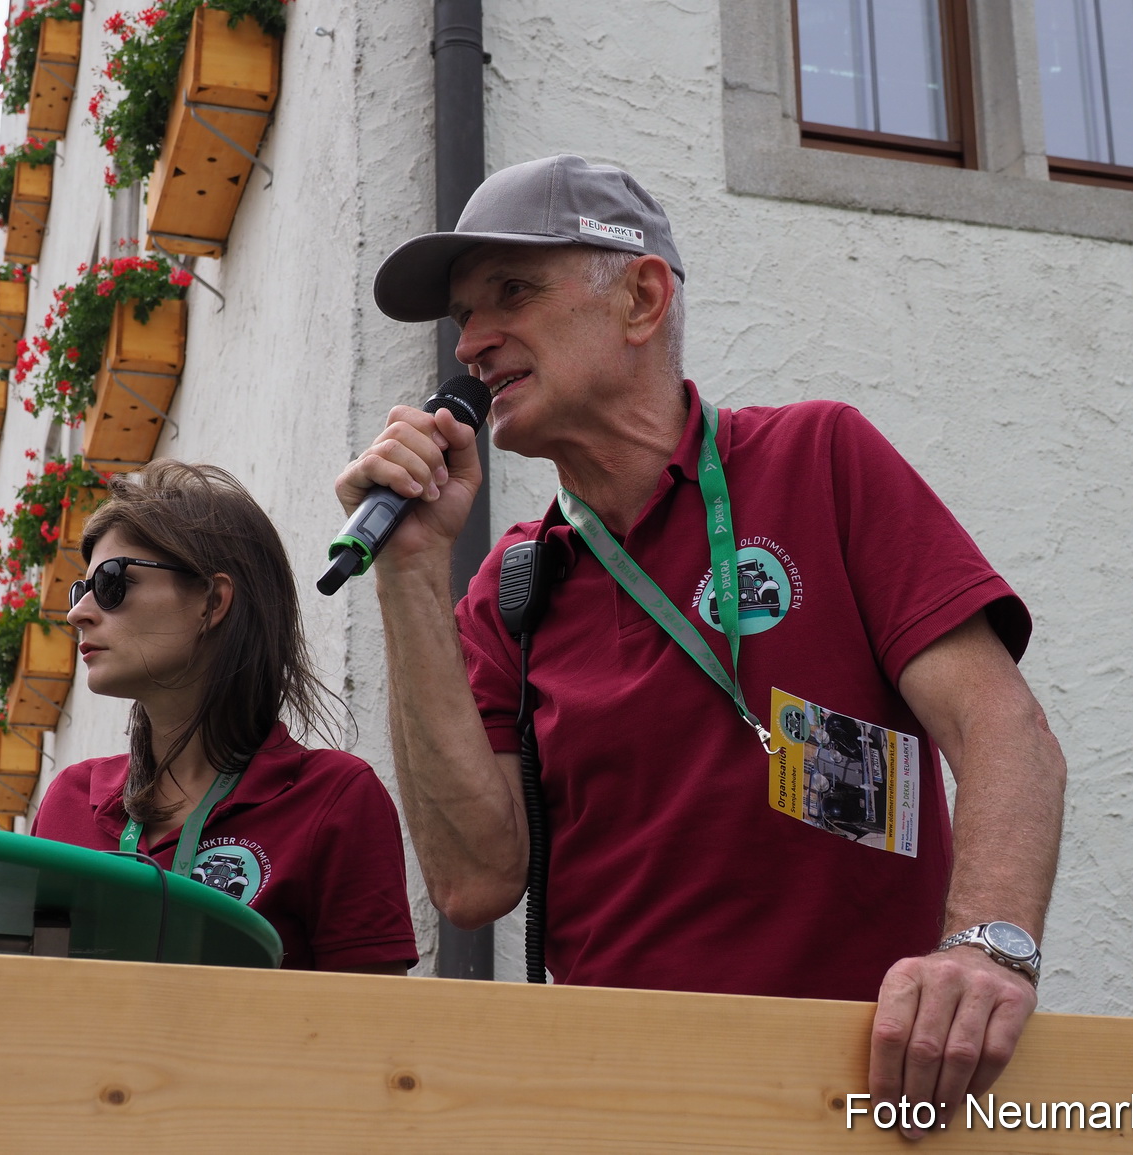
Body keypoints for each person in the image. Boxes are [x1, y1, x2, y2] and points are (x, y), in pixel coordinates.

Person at [335, 155, 1067, 1128]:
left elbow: (1004, 731)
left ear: (640, 298)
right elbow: (473, 884)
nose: (469, 343)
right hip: (622, 1110)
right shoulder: (504, 591)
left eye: (509, 292)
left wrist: (984, 951)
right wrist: (411, 577)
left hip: (863, 1104)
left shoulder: (820, 460)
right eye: (462, 313)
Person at [32, 460, 417, 974]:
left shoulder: (336, 799)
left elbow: (371, 1033)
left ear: (213, 601)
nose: (78, 613)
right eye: (81, 591)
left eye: (110, 582)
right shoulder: (69, 802)